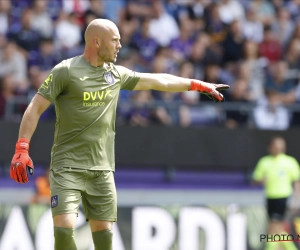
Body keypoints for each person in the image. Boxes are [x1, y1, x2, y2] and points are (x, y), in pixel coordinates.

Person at [9, 18, 229, 250]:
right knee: (63, 232)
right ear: (96, 41)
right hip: (67, 167)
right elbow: (34, 108)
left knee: (104, 240)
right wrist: (22, 147)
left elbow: (158, 80)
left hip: (102, 171)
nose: (119, 46)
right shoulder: (66, 71)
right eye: (114, 41)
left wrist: (196, 84)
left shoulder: (115, 74)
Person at [252, 136, 300, 250]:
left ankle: (270, 247)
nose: (278, 148)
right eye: (276, 145)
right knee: (278, 226)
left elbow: (297, 182)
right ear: (270, 147)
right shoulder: (264, 162)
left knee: (275, 224)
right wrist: (260, 181)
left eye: (280, 145)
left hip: (284, 197)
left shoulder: (290, 162)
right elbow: (255, 179)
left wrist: (295, 200)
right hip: (270, 197)